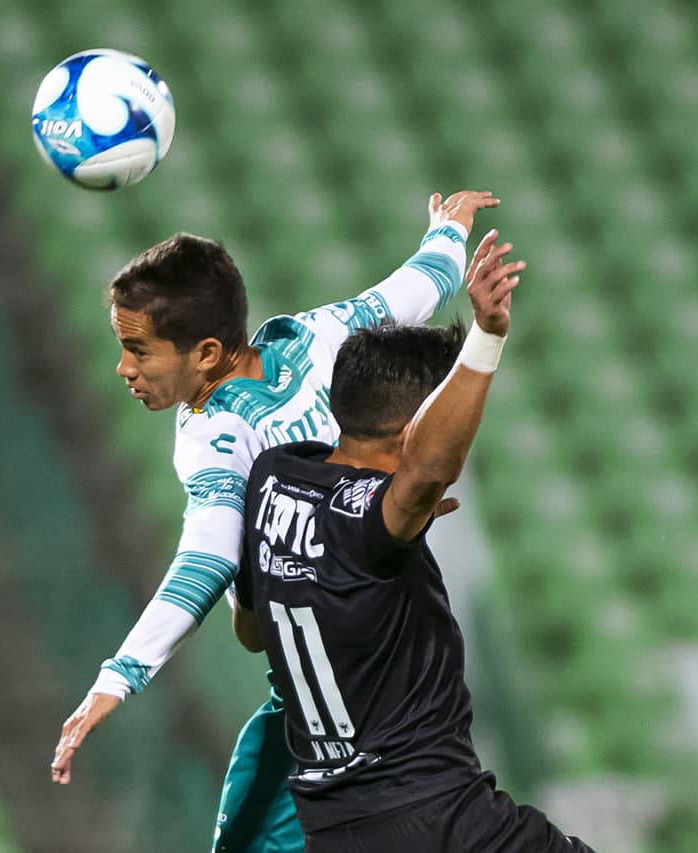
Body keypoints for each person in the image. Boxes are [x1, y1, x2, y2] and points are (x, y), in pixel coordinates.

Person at [50, 190, 501, 853]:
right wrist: (449, 230)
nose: (124, 366)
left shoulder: (216, 433)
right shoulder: (314, 335)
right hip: (385, 642)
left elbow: (205, 560)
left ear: (205, 353)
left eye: (138, 349)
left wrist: (119, 675)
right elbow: (415, 288)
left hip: (328, 690)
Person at [231, 232, 595, 852]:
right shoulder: (369, 521)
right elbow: (425, 470)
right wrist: (487, 336)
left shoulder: (274, 476)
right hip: (437, 821)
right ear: (414, 429)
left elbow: (253, 632)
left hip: (332, 828)